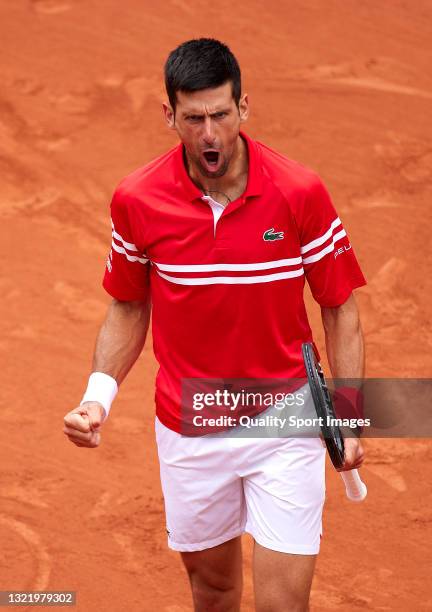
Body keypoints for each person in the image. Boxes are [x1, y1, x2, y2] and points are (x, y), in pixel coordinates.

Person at [63, 38, 366, 612]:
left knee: (282, 606)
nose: (209, 134)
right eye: (194, 118)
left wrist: (349, 413)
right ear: (169, 115)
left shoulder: (299, 192)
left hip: (287, 421)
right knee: (215, 591)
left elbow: (339, 306)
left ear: (244, 108)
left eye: (221, 115)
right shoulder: (137, 200)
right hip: (190, 426)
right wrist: (96, 398)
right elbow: (128, 305)